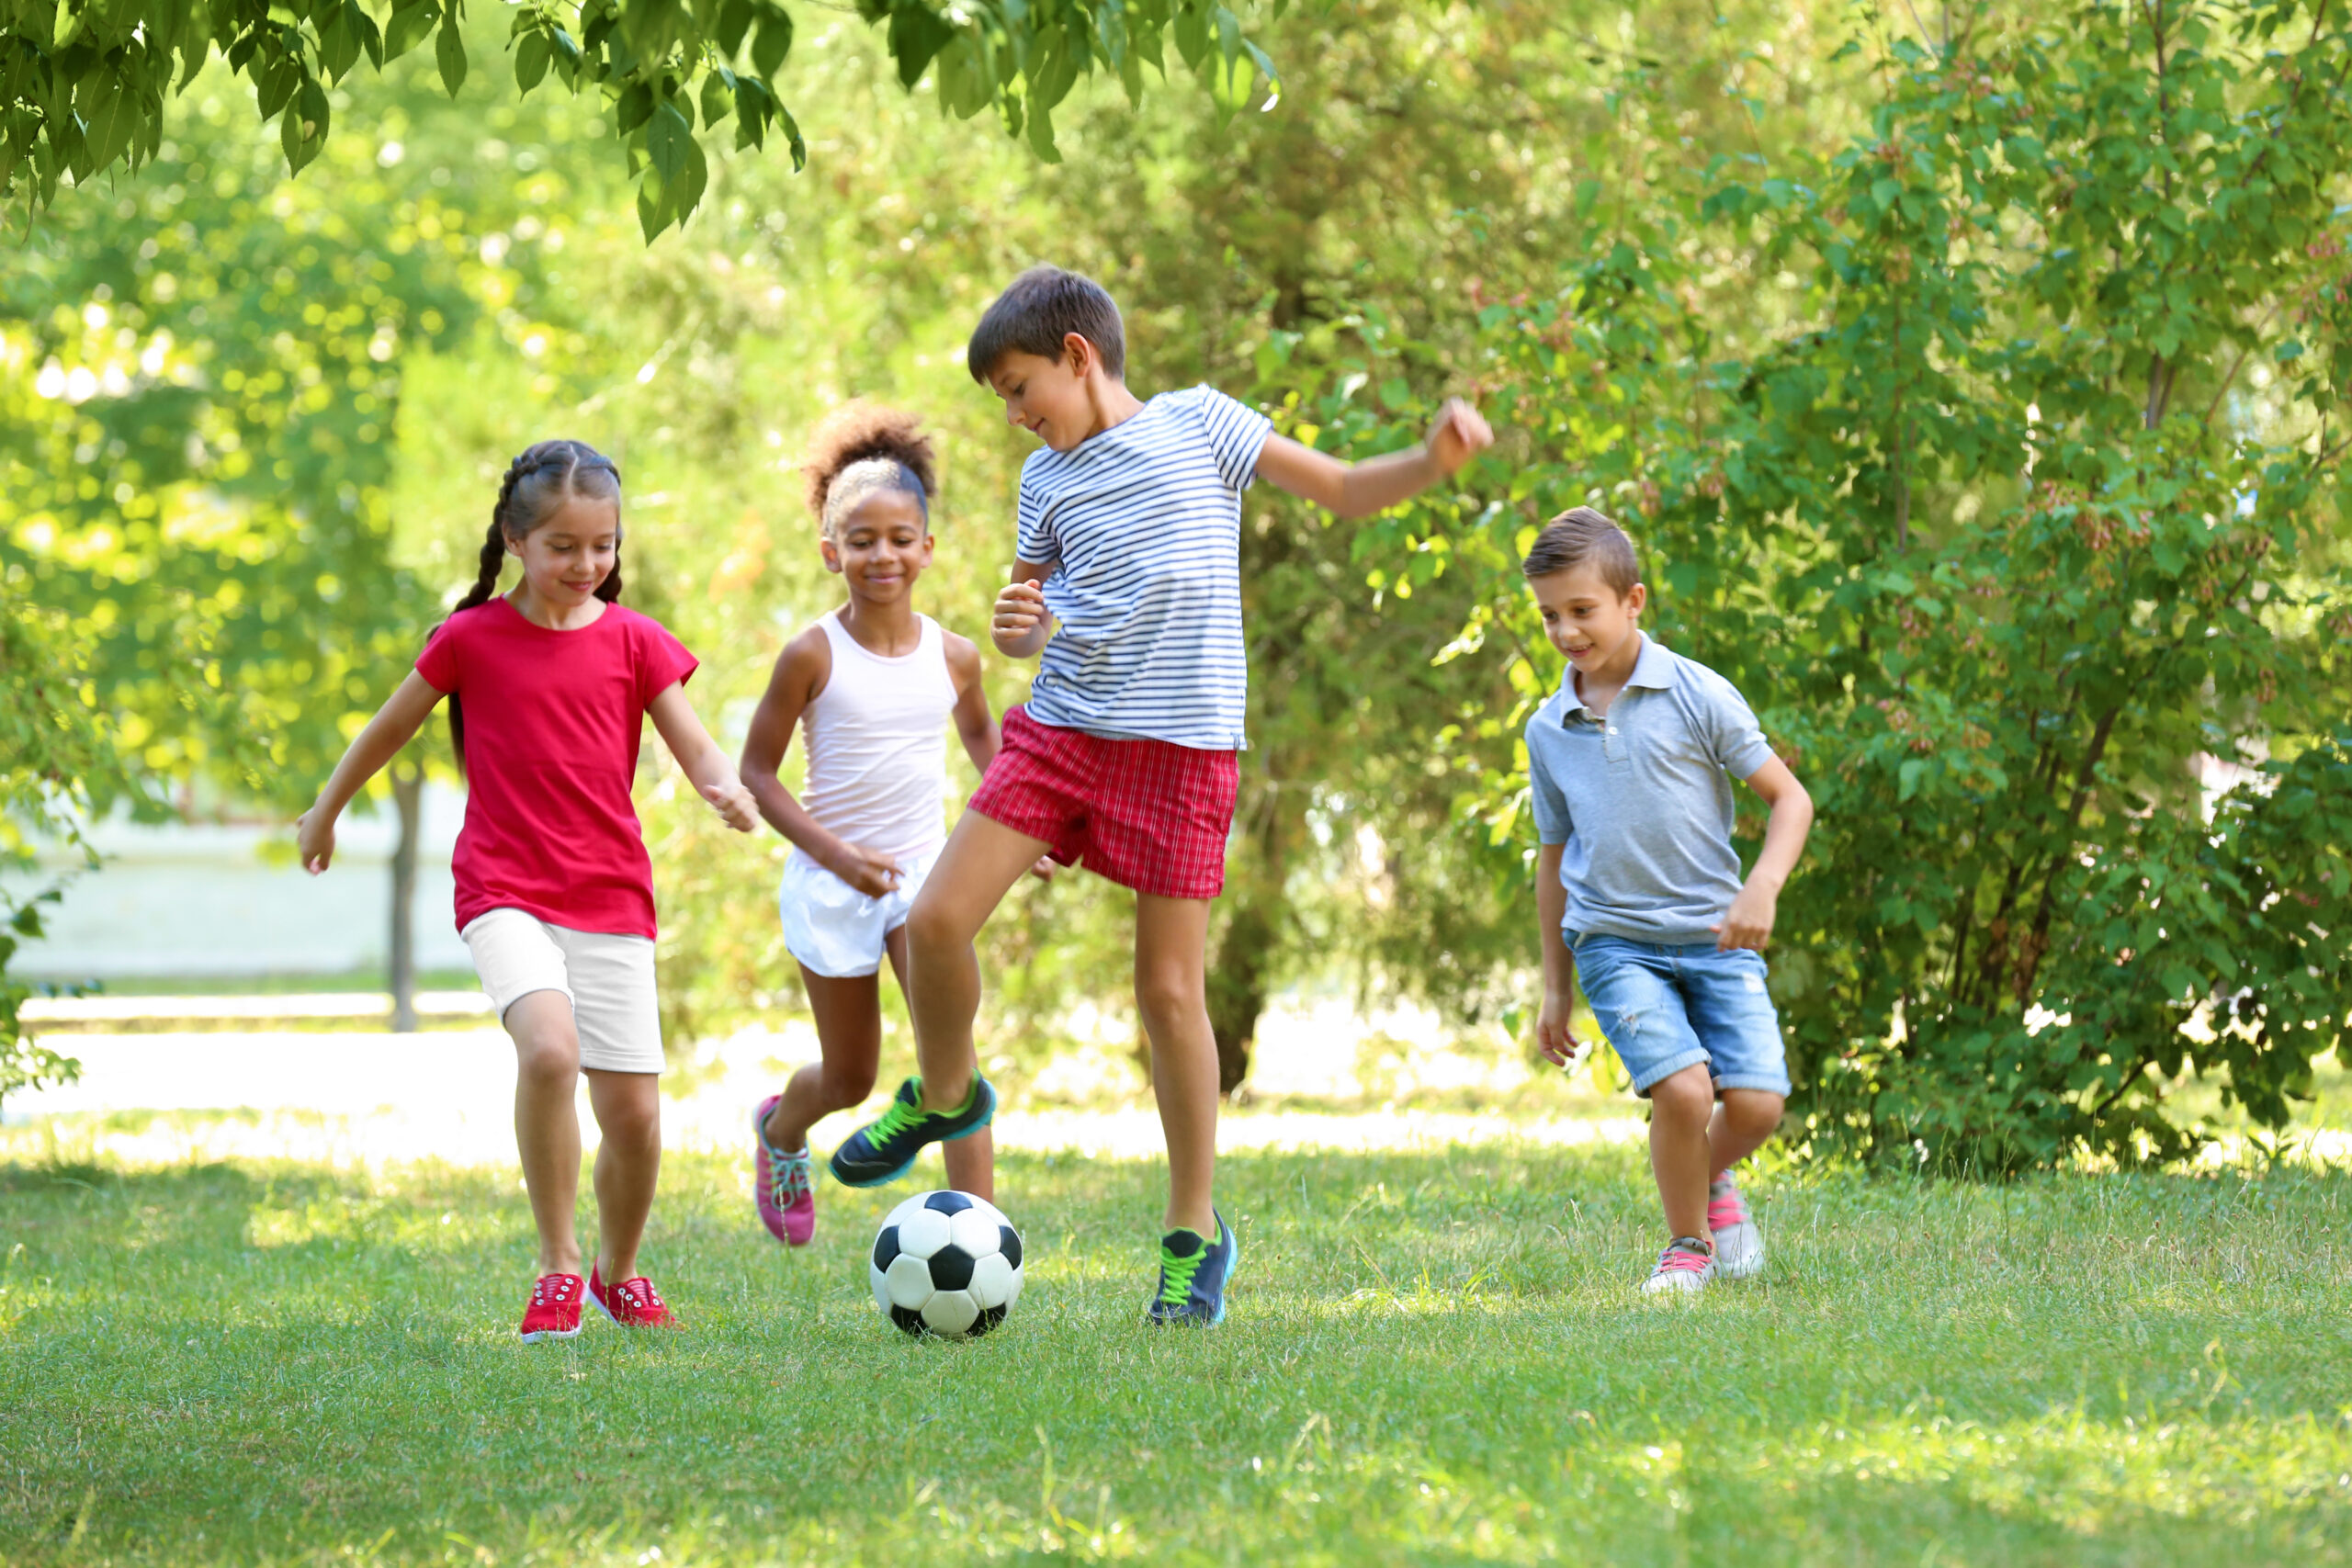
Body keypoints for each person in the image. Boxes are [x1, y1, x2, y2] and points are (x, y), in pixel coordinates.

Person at [826, 264, 1494, 1325]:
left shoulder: (1202, 426)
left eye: (1017, 386)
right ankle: (941, 1094)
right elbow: (1037, 612)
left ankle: (1193, 1236)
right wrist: (1019, 631)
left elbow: (1340, 489)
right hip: (1061, 733)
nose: (1011, 416)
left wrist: (1430, 459)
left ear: (1078, 357)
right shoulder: (1044, 482)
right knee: (938, 920)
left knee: (1168, 996)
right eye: (999, 398)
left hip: (1182, 751)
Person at [296, 440, 758, 1341]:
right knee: (549, 1052)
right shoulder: (469, 639)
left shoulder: (636, 641)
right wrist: (325, 810)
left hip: (610, 893)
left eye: (603, 546)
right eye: (564, 548)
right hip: (503, 883)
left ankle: (615, 1272)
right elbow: (387, 729)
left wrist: (723, 786)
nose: (586, 566)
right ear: (515, 539)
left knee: (633, 1117)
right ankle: (554, 1266)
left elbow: (693, 743)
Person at [737, 402, 1046, 1247]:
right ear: (831, 551)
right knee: (851, 1075)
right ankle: (781, 1130)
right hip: (830, 879)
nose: (884, 555)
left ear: (928, 546)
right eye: (862, 539)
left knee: (953, 1062)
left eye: (901, 537)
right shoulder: (811, 654)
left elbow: (985, 735)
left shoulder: (953, 655)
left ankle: (979, 1236)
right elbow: (756, 775)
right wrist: (835, 855)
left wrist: (1022, 822)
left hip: (924, 879)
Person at [1520, 506, 1815, 1294]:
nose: (1565, 630)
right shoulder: (1547, 729)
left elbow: (1791, 800)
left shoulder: (1697, 693)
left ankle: (1709, 1182)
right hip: (1613, 940)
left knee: (1756, 1105)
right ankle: (1687, 1244)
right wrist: (1555, 984)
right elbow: (1553, 860)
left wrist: (1763, 886)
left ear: (1633, 600)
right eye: (1550, 614)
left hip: (1717, 933)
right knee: (1683, 1091)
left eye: (1582, 610)